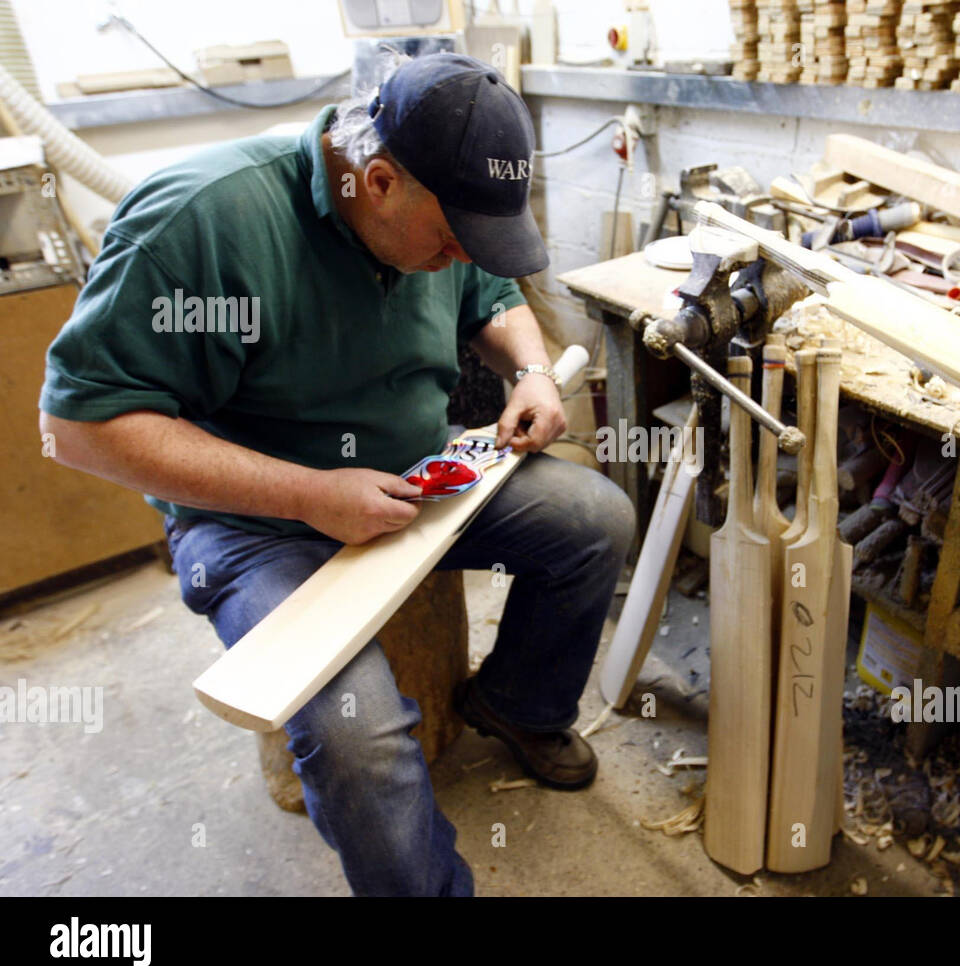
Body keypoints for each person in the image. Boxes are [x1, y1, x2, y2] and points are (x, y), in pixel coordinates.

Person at [37, 52, 635, 896]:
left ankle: (520, 704)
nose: (463, 253)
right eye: (453, 237)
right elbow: (77, 425)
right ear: (379, 180)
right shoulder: (200, 220)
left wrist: (531, 370)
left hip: (414, 478)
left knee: (594, 519)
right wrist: (308, 493)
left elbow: (491, 295)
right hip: (255, 522)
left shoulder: (431, 211)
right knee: (358, 736)